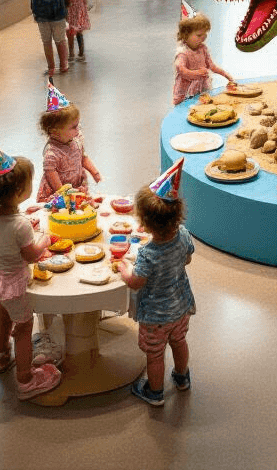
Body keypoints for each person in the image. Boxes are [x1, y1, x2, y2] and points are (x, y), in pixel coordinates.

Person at [0, 143, 61, 400]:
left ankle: (2, 357)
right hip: (14, 283)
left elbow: (6, 239)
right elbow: (31, 255)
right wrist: (45, 239)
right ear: (18, 191)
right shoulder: (21, 225)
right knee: (23, 329)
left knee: (2, 318)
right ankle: (26, 379)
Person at [118, 167, 196, 406]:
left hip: (156, 316)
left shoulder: (147, 254)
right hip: (181, 306)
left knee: (155, 355)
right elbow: (187, 259)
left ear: (144, 223)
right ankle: (182, 378)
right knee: (179, 341)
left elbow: (135, 281)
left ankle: (155, 392)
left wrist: (123, 268)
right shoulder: (183, 234)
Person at [34, 103, 102, 201]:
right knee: (60, 213)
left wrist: (94, 172)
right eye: (74, 127)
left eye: (78, 125)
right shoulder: (52, 153)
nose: (78, 130)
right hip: (59, 192)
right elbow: (52, 177)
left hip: (76, 185)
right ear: (55, 131)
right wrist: (65, 195)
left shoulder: (76, 140)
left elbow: (82, 157)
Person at [173, 10, 235, 106]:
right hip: (187, 91)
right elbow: (181, 70)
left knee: (204, 107)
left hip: (202, 88)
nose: (203, 38)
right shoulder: (183, 53)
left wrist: (226, 75)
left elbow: (211, 66)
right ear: (185, 35)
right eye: (199, 35)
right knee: (186, 110)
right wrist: (196, 73)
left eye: (205, 34)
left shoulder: (203, 49)